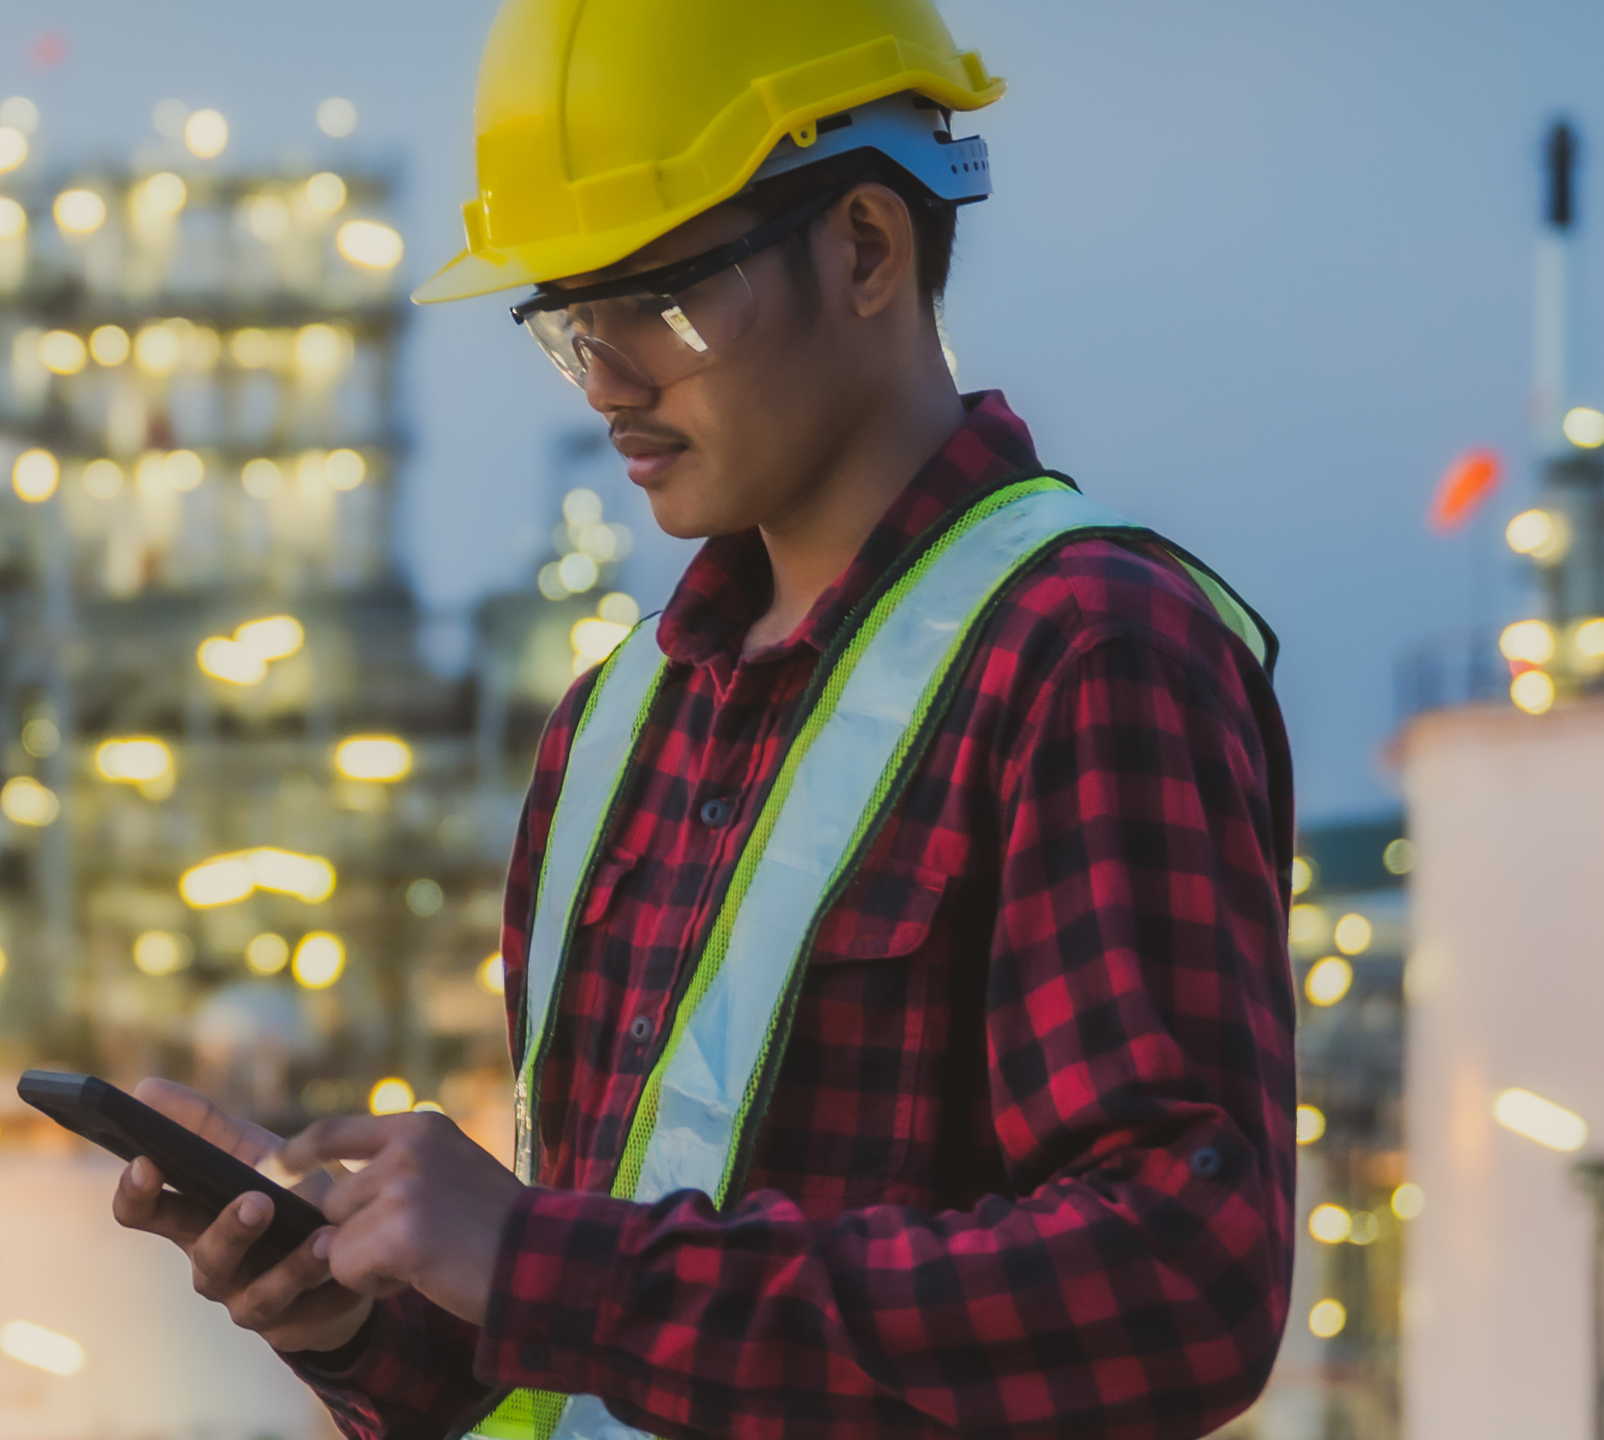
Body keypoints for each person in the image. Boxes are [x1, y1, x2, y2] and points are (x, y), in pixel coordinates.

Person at [107, 2, 1298, 1436]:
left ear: (867, 246)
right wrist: (364, 1322)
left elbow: (1180, 1283)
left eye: (660, 303)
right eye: (567, 319)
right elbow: (583, 1374)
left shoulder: (1085, 652)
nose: (608, 378)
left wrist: (548, 1264)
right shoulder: (617, 728)